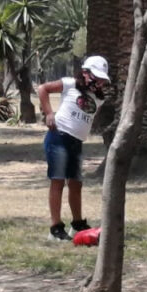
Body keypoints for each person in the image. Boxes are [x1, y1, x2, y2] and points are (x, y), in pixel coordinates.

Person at [36, 55, 111, 241]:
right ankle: (55, 228)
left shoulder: (99, 99)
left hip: (76, 142)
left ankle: (77, 224)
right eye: (96, 77)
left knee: (76, 183)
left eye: (102, 79)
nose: (99, 82)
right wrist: (49, 113)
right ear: (85, 73)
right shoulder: (69, 84)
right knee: (58, 181)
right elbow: (43, 89)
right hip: (59, 136)